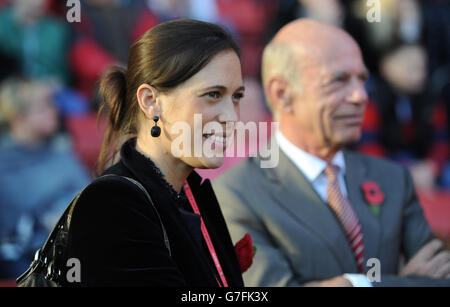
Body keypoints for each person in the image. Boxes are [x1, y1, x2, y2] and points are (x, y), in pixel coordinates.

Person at [212, 19, 450, 287]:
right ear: (282, 94)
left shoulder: (394, 179)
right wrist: (378, 283)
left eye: (362, 80)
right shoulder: (233, 194)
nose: (360, 96)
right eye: (339, 80)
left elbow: (441, 279)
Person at [60, 19, 245, 287]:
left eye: (237, 97)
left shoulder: (189, 193)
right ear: (151, 102)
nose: (232, 117)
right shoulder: (111, 204)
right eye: (213, 94)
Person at [0, 77, 90, 279]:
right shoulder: (4, 163)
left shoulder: (61, 151)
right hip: (27, 256)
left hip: (74, 246)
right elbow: (13, 225)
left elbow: (87, 193)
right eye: (43, 107)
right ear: (18, 119)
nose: (54, 111)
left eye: (53, 104)